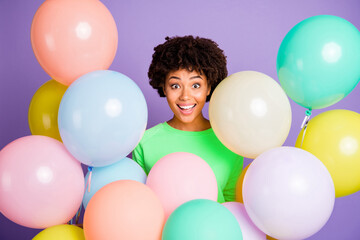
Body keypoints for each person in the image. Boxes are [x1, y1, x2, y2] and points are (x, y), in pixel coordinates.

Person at [132, 35, 243, 202]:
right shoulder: (144, 143)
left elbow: (232, 206)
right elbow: (140, 206)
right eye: (175, 86)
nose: (185, 96)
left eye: (196, 85)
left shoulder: (229, 143)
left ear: (209, 88)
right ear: (164, 88)